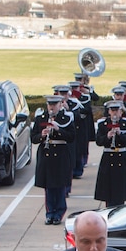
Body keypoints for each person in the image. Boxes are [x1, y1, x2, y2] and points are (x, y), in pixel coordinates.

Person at [32, 96, 76, 225]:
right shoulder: (41, 118)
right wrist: (42, 135)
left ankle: (59, 213)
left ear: (60, 104)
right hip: (46, 154)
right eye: (49, 104)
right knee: (48, 187)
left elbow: (71, 137)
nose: (51, 107)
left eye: (54, 104)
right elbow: (33, 137)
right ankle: (50, 213)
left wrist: (58, 129)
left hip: (61, 155)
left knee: (60, 186)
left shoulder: (66, 118)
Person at [94, 100, 126, 208]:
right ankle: (108, 210)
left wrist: (120, 134)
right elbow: (98, 141)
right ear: (109, 112)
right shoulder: (103, 124)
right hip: (108, 157)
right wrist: (107, 136)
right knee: (108, 190)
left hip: (121, 158)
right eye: (112, 110)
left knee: (120, 190)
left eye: (117, 111)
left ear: (121, 112)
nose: (115, 113)